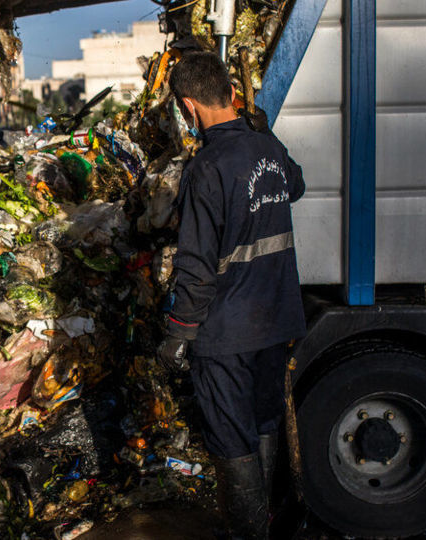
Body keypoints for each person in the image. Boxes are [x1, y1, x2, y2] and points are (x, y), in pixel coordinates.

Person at [157, 52, 306, 539]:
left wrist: (178, 333)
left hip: (226, 332)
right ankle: (264, 526)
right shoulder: (267, 146)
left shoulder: (207, 167)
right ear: (230, 92)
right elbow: (296, 184)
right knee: (264, 421)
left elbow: (196, 266)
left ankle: (249, 532)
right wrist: (267, 136)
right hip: (276, 319)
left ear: (188, 105)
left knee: (229, 434)